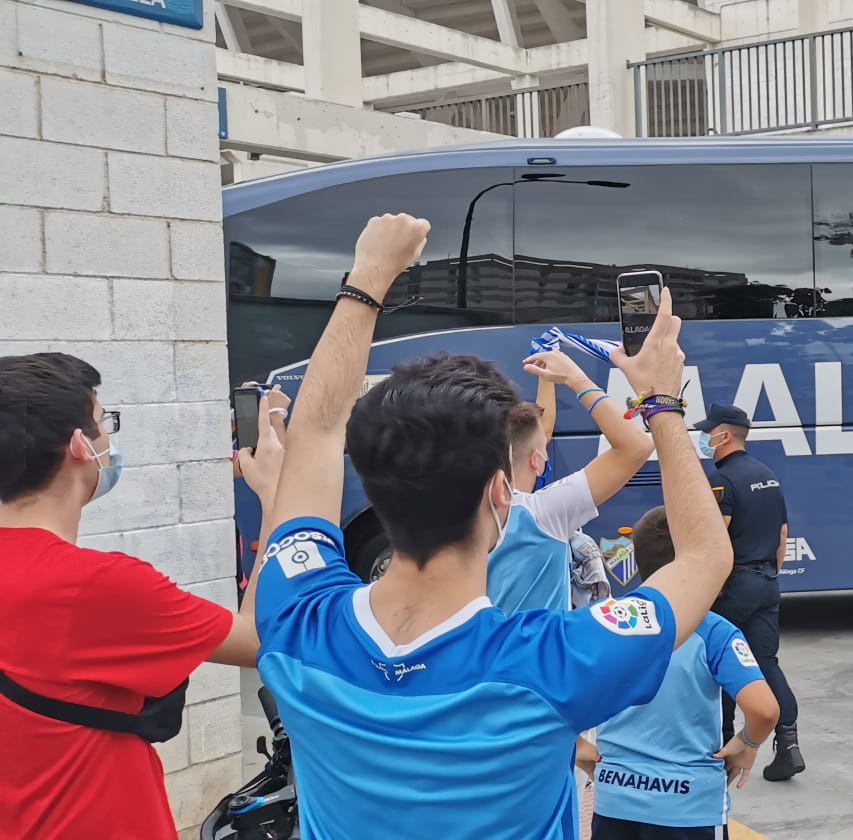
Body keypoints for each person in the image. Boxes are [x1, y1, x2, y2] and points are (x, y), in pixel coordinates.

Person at [249, 213, 733, 840]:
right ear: (500, 493)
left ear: (372, 485)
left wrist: (366, 278)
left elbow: (312, 431)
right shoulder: (555, 661)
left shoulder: (295, 617)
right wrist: (662, 400)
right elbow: (703, 558)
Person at [0, 354, 278, 840]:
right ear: (79, 446)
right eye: (104, 423)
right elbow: (260, 639)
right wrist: (275, 496)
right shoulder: (94, 586)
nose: (109, 439)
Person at [588, 505, 782, 840]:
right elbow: (764, 710)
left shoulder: (603, 622)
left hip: (615, 800)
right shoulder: (713, 631)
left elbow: (542, 695)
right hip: (690, 809)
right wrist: (747, 742)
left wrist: (577, 748)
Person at [490, 346, 652, 615]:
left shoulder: (461, 512)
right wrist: (576, 379)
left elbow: (541, 428)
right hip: (542, 655)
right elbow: (636, 446)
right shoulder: (544, 513)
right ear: (537, 461)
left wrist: (545, 378)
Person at [694, 404, 804, 782]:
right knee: (766, 662)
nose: (705, 439)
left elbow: (715, 537)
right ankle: (788, 744)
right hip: (766, 582)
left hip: (733, 584)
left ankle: (722, 746)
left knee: (723, 662)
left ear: (725, 436)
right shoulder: (767, 475)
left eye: (709, 432)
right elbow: (782, 534)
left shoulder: (721, 480)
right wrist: (770, 575)